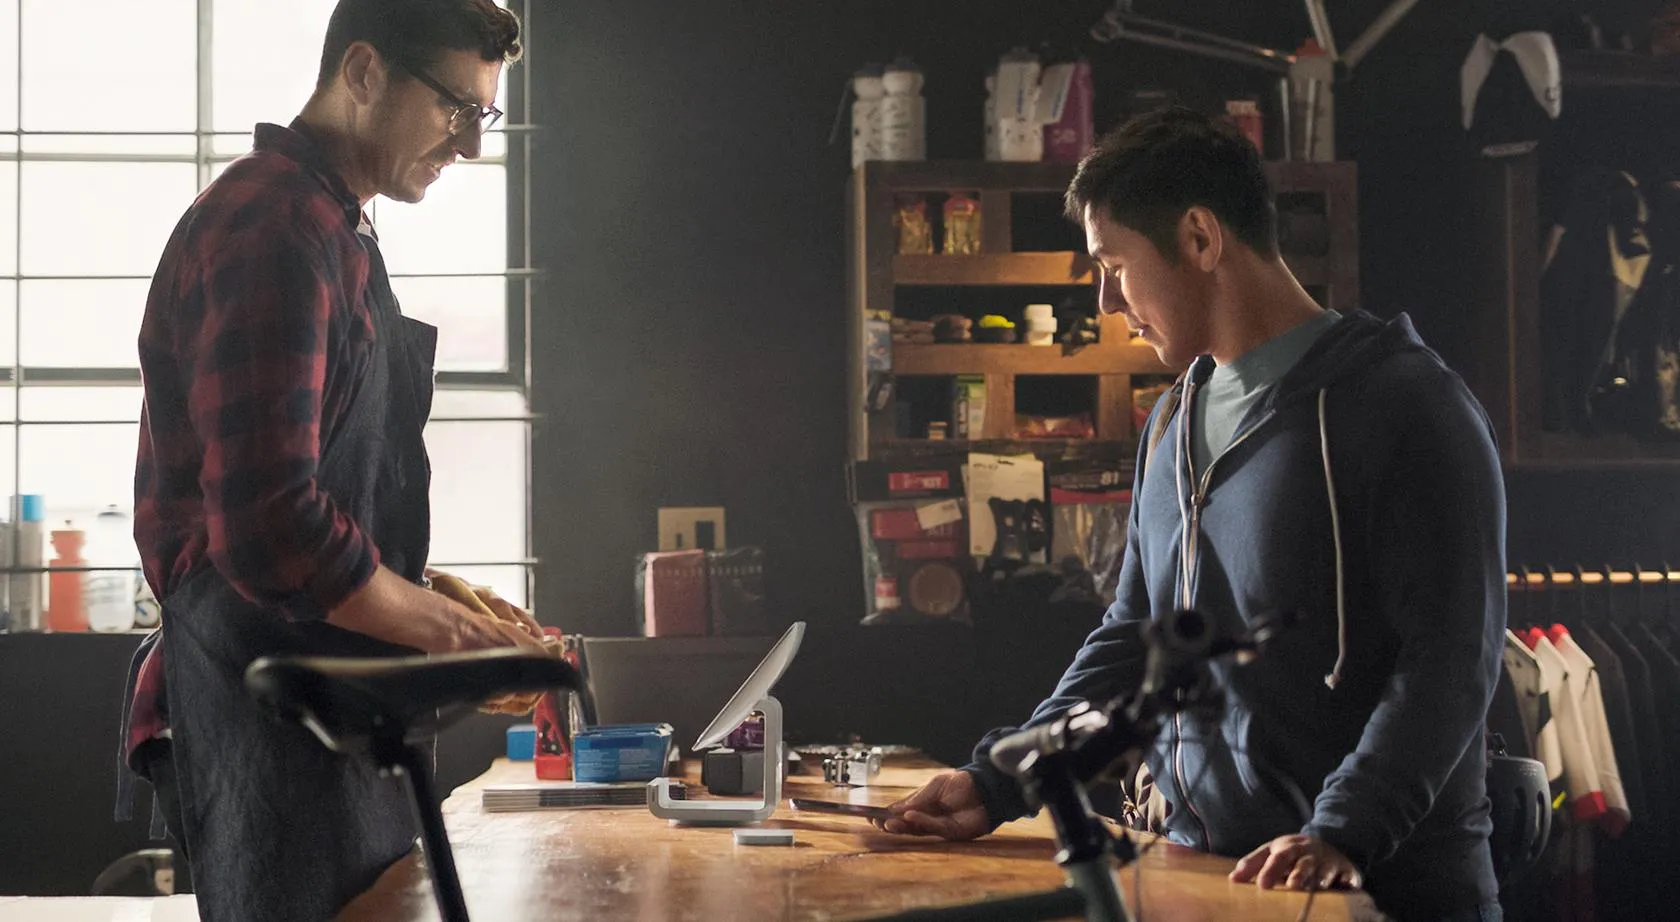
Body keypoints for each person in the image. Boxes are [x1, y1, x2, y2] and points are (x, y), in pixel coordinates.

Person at [879, 107, 1508, 922]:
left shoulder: (1407, 406)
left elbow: (1452, 657)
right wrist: (1003, 780)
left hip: (1381, 895)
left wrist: (1343, 833)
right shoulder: (1172, 420)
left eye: (1114, 265)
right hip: (1209, 886)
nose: (1106, 299)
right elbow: (1133, 640)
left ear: (1201, 239)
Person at [114, 2, 539, 920]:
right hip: (262, 701)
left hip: (327, 713)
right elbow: (272, 530)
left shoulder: (335, 226)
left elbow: (321, 497)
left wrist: (439, 596)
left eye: (484, 114)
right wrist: (454, 638)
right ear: (363, 72)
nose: (471, 144)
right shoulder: (273, 228)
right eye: (455, 107)